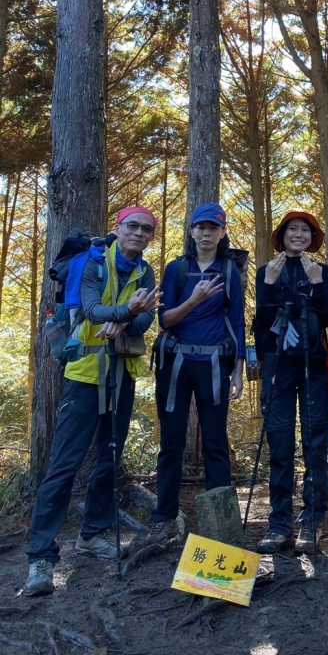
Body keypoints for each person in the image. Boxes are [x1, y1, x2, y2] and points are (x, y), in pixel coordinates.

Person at [25, 207, 161, 596]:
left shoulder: (146, 271)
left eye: (146, 229)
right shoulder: (91, 263)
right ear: (118, 228)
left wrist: (125, 318)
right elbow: (88, 308)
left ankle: (93, 534)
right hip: (84, 375)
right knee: (64, 464)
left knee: (109, 458)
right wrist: (126, 311)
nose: (139, 233)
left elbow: (145, 319)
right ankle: (40, 557)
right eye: (132, 226)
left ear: (151, 236)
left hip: (122, 374)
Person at [144, 203, 245, 545]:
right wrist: (195, 300)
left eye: (213, 228)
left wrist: (239, 371)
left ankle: (221, 527)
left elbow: (237, 323)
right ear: (191, 232)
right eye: (200, 228)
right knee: (171, 444)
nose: (206, 234)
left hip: (215, 365)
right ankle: (165, 519)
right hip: (175, 365)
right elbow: (165, 319)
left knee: (215, 443)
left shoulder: (230, 271)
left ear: (222, 233)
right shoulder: (176, 269)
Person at [254, 211, 328, 554]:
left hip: (314, 363)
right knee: (281, 442)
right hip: (278, 365)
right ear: (282, 235)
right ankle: (279, 523)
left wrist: (317, 284)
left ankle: (312, 520)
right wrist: (270, 287)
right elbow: (262, 320)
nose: (298, 234)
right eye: (292, 229)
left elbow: (327, 315)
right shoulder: (265, 271)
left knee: (315, 441)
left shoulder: (322, 271)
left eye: (305, 230)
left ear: (312, 237)